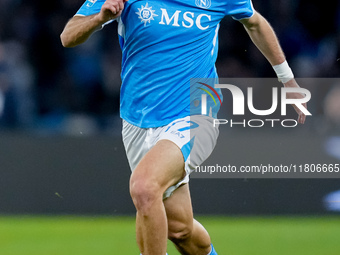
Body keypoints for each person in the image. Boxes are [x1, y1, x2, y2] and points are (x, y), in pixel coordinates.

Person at [60, 0, 307, 254]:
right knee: (180, 230)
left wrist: (287, 80)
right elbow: (68, 37)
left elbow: (254, 23)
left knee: (144, 187)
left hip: (196, 114)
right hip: (137, 120)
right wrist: (100, 18)